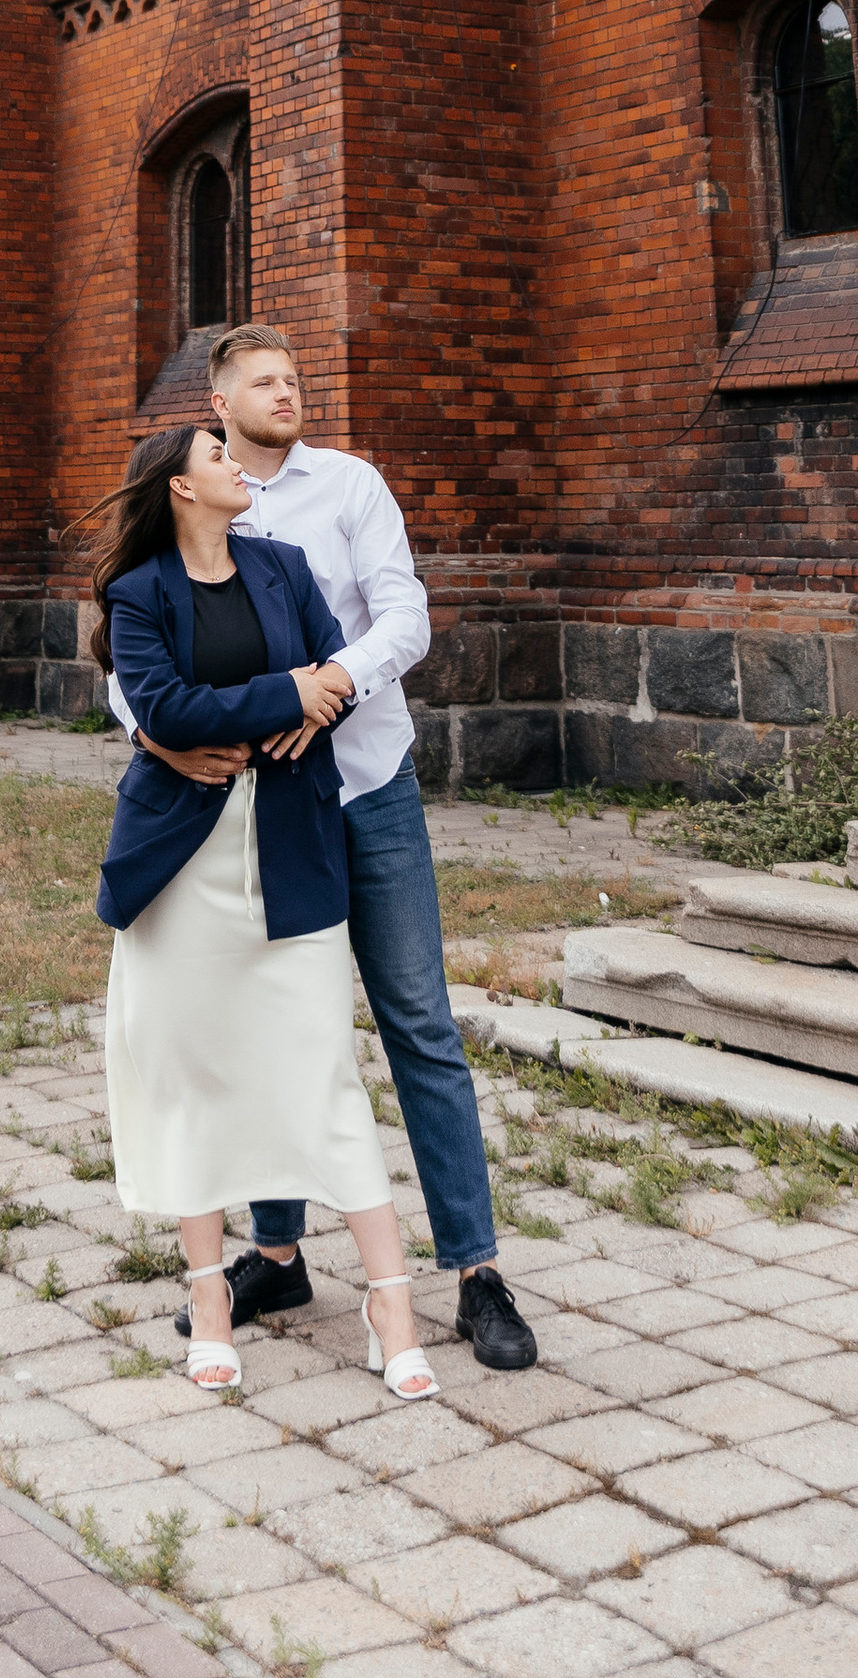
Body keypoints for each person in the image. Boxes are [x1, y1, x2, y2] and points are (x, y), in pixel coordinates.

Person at [112, 325, 539, 1372]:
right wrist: (165, 735)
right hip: (253, 807)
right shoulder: (191, 520)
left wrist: (332, 683)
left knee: (416, 1021)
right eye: (264, 381)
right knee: (266, 1021)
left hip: (366, 785)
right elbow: (135, 671)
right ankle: (277, 1249)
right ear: (217, 405)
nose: (288, 392)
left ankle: (475, 1272)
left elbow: (404, 615)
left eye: (295, 378)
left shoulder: (347, 488)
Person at [92, 419, 440, 1402]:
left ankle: (390, 1304)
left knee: (324, 1073)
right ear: (179, 490)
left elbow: (335, 670)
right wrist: (280, 694)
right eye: (215, 456)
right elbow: (161, 710)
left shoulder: (285, 565)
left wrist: (302, 696)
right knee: (194, 1080)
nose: (237, 465)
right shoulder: (137, 593)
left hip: (289, 853)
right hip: (182, 875)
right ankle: (209, 1303)